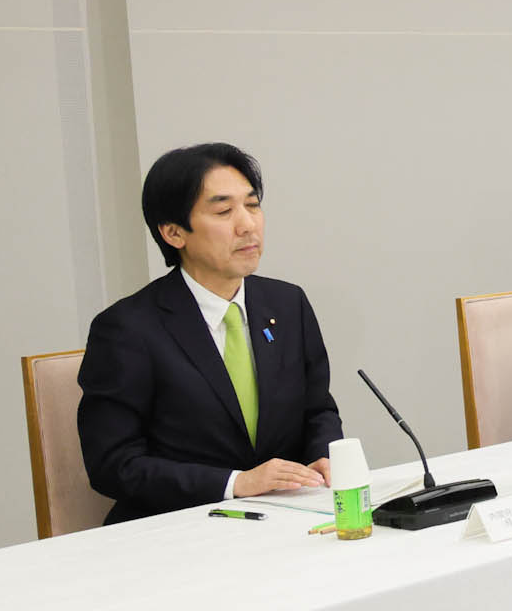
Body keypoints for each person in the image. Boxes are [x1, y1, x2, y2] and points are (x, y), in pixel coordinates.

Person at [77, 143, 345, 523]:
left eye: (252, 206)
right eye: (223, 211)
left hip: (285, 519)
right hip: (176, 530)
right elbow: (114, 464)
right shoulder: (126, 329)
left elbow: (317, 410)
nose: (247, 225)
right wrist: (236, 482)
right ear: (173, 233)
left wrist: (324, 456)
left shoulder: (287, 304)